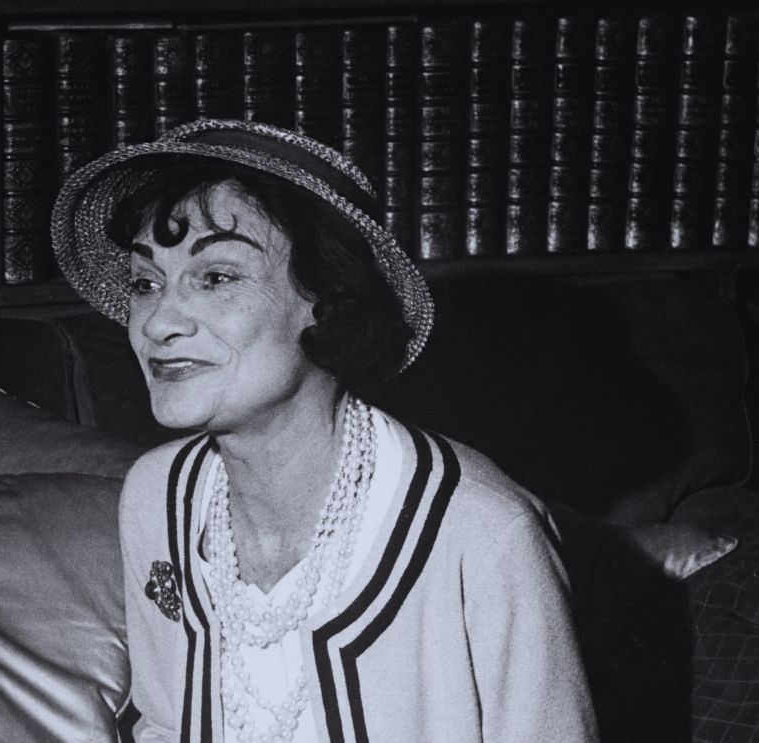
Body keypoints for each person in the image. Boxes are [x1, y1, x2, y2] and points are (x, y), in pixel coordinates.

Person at [51, 119, 598, 743]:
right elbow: (165, 723)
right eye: (146, 283)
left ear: (331, 299)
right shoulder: (158, 495)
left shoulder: (484, 532)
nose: (157, 323)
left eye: (218, 277)